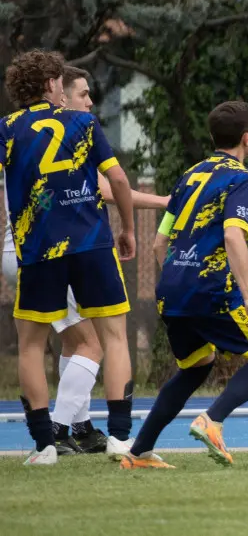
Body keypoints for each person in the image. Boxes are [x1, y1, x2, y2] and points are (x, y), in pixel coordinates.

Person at [0, 65, 170, 456]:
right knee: (111, 339)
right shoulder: (82, 124)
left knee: (32, 346)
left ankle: (46, 445)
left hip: (39, 249)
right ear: (51, 84)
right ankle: (119, 438)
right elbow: (119, 181)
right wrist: (128, 229)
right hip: (91, 245)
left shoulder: (7, 128)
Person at [119, 100, 248, 470]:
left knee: (196, 366)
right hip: (210, 289)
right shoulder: (243, 179)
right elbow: (233, 236)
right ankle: (213, 420)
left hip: (172, 288)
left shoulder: (190, 175)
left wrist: (180, 278)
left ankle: (138, 452)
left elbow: (159, 244)